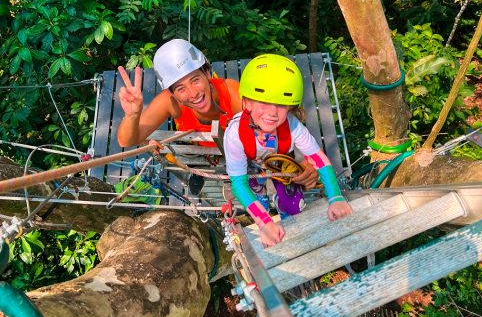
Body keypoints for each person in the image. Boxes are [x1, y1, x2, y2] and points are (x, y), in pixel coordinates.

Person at [116, 39, 319, 191]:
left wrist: (306, 162)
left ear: (207, 73)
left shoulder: (232, 95)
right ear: (172, 93)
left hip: (249, 161)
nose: (193, 93)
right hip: (207, 165)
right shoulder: (170, 102)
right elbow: (127, 140)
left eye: (195, 80)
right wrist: (133, 115)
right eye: (180, 88)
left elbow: (280, 125)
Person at [223, 53, 352, 247]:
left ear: (290, 107)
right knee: (258, 201)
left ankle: (292, 237)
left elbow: (318, 159)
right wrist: (264, 222)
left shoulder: (292, 125)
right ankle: (266, 220)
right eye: (264, 102)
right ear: (247, 102)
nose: (272, 113)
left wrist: (335, 197)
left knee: (293, 208)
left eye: (281, 105)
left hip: (281, 166)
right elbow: (239, 183)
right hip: (251, 169)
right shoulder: (235, 133)